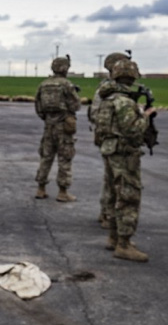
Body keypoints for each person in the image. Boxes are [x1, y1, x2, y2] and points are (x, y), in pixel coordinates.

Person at [93, 59, 155, 262]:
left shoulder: (108, 99)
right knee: (128, 197)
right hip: (124, 154)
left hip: (110, 151)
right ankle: (124, 244)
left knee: (114, 195)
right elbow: (133, 129)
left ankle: (114, 237)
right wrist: (146, 115)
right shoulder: (124, 102)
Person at [88, 52, 130, 228]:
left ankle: (106, 211)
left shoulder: (107, 88)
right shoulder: (110, 89)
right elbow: (95, 114)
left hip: (108, 136)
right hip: (113, 138)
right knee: (113, 179)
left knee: (110, 178)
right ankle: (108, 213)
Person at [35, 55, 81, 202]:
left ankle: (41, 189)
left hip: (48, 126)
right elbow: (76, 105)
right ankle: (63, 192)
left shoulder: (43, 84)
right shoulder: (67, 85)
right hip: (64, 126)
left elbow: (38, 107)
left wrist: (48, 118)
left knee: (46, 157)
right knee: (65, 158)